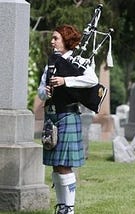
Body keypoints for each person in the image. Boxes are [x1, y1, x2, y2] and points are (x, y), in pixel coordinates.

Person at [38, 24, 99, 214]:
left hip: (68, 115)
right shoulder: (52, 61)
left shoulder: (79, 60)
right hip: (52, 116)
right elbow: (41, 91)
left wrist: (66, 81)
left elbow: (92, 80)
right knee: (56, 165)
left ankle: (69, 209)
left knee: (64, 165)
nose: (52, 41)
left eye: (56, 38)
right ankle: (62, 206)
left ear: (66, 40)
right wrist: (45, 92)